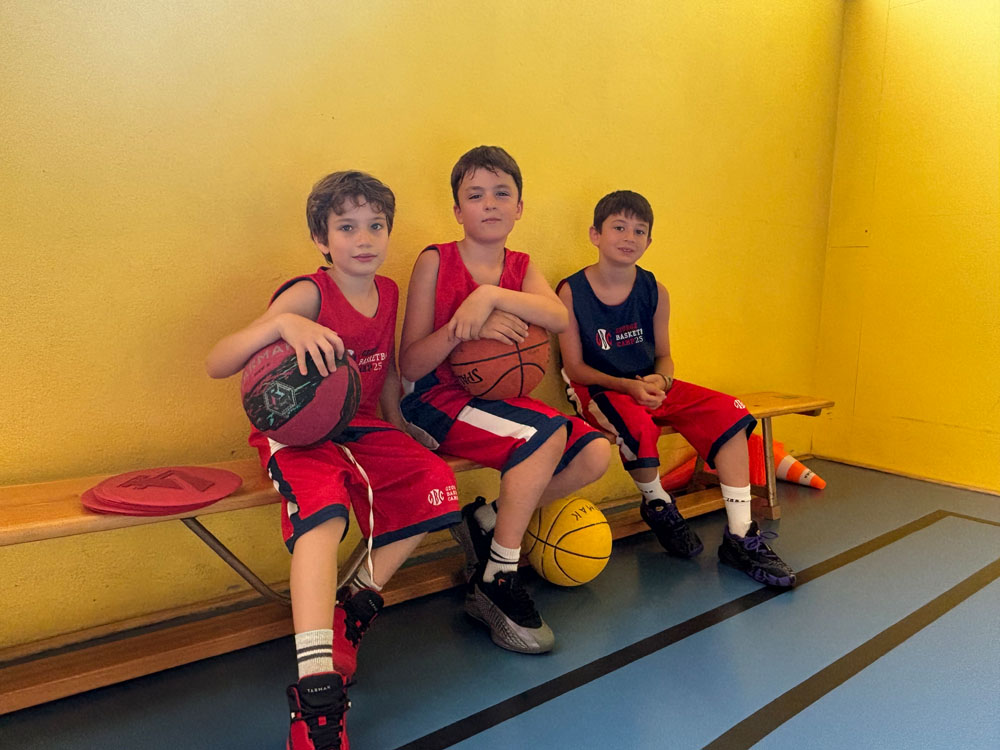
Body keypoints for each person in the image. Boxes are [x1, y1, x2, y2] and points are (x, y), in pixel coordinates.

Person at [205, 171, 460, 750]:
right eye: (347, 227)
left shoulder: (388, 291)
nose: (363, 238)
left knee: (436, 484)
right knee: (326, 518)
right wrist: (280, 323)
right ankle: (316, 695)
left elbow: (384, 373)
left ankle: (356, 603)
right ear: (321, 239)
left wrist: (401, 430)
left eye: (375, 225)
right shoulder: (307, 295)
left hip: (362, 426)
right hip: (298, 436)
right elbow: (218, 362)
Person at [398, 146, 611, 654]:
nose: (489, 203)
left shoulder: (520, 266)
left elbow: (558, 317)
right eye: (475, 195)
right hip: (435, 401)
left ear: (519, 208)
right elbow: (409, 365)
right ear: (458, 211)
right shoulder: (436, 261)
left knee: (595, 452)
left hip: (496, 400)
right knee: (545, 436)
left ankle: (486, 521)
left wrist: (489, 296)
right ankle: (497, 578)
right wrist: (464, 327)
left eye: (501, 193)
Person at [557, 190, 796, 588]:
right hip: (599, 388)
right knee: (637, 427)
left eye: (639, 230)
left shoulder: (655, 290)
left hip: (648, 384)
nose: (629, 237)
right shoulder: (571, 291)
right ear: (595, 235)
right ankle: (658, 503)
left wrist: (661, 380)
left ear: (649, 241)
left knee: (731, 413)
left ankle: (740, 535)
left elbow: (664, 356)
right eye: (619, 227)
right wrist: (627, 386)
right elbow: (575, 368)